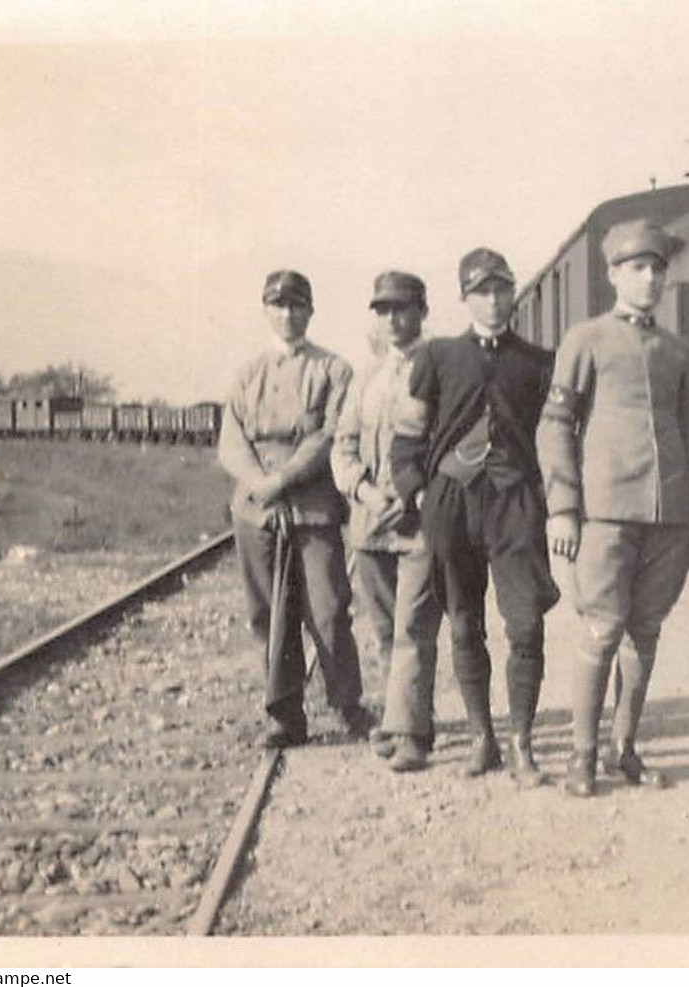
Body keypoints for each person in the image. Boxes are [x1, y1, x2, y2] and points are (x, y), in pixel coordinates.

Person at [537, 219, 689, 798]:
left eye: (658, 268)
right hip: (606, 511)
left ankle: (623, 748)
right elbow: (556, 424)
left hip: (667, 515)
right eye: (639, 268)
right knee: (601, 630)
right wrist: (563, 507)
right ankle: (581, 756)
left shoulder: (676, 350)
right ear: (613, 274)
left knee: (646, 632)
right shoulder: (586, 340)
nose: (651, 279)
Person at [390, 249, 559, 785]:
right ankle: (482, 737)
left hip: (514, 505)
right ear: (464, 298)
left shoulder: (536, 361)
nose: (492, 300)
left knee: (527, 625)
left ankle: (522, 744)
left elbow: (552, 437)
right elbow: (406, 442)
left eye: (501, 289)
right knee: (464, 623)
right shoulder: (436, 357)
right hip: (452, 506)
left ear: (513, 294)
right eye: (481, 291)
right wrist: (418, 494)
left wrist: (549, 499)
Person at [218, 269, 373, 748]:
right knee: (268, 614)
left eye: (297, 306)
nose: (288, 315)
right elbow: (231, 441)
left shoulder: (334, 370)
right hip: (257, 509)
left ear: (310, 311)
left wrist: (283, 481)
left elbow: (329, 436)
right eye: (278, 306)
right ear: (266, 311)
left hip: (313, 508)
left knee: (328, 609)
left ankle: (348, 704)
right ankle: (284, 714)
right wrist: (260, 486)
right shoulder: (248, 373)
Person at [331, 271, 443, 772]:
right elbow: (343, 445)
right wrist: (365, 491)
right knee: (382, 629)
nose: (392, 319)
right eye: (382, 310)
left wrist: (415, 494)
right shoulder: (366, 378)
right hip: (371, 523)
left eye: (401, 308)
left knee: (413, 626)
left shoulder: (440, 367)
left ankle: (412, 733)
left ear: (422, 311)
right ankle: (400, 718)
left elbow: (448, 445)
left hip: (420, 522)